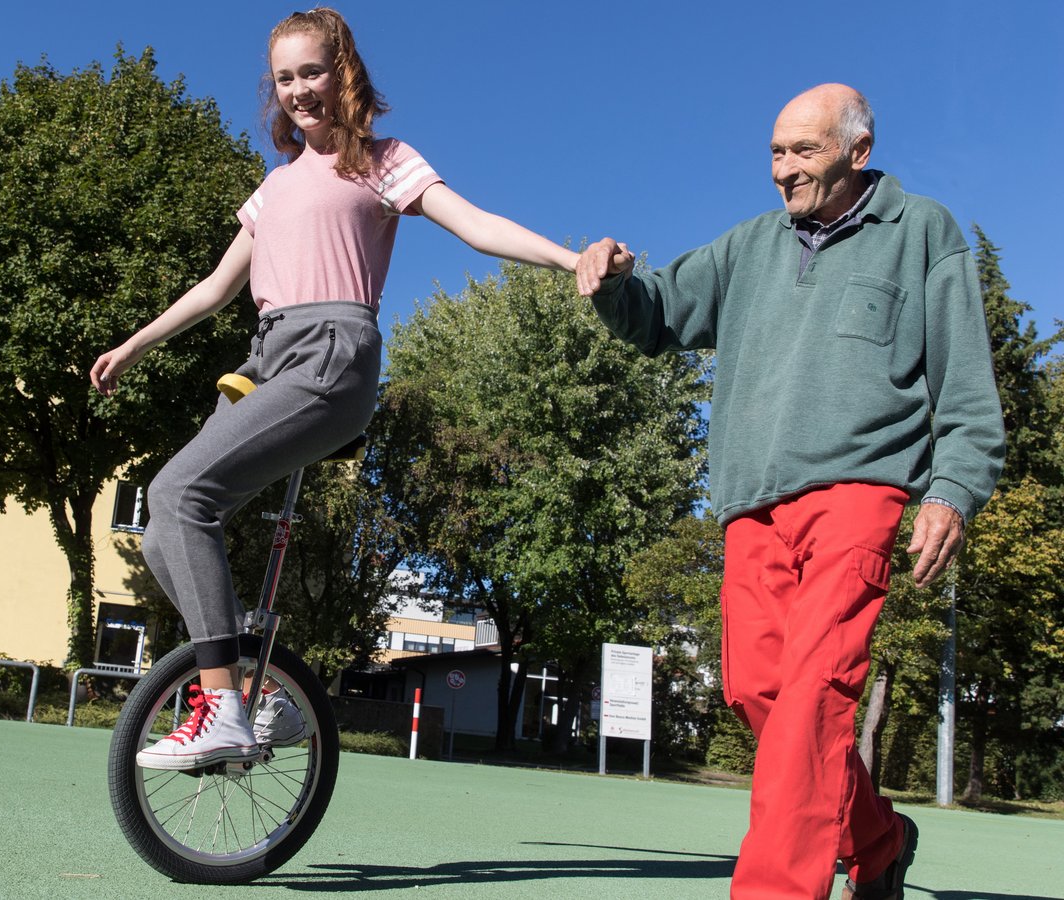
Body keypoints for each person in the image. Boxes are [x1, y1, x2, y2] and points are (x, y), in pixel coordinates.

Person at [90, 8, 577, 771]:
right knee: (165, 524)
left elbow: (476, 224)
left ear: (342, 72)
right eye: (284, 78)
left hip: (332, 352)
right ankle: (255, 695)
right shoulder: (274, 188)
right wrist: (135, 343)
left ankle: (219, 706)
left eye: (311, 72)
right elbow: (216, 288)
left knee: (181, 493)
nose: (298, 91)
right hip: (265, 359)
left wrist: (568, 259)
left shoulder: (383, 161)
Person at [576, 84, 1004, 900]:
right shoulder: (749, 247)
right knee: (756, 691)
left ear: (857, 150)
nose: (783, 170)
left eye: (803, 151)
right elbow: (658, 311)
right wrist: (614, 281)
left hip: (860, 489)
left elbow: (966, 383)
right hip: (750, 498)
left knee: (813, 697)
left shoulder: (924, 232)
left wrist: (952, 488)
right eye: (775, 152)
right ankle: (877, 839)